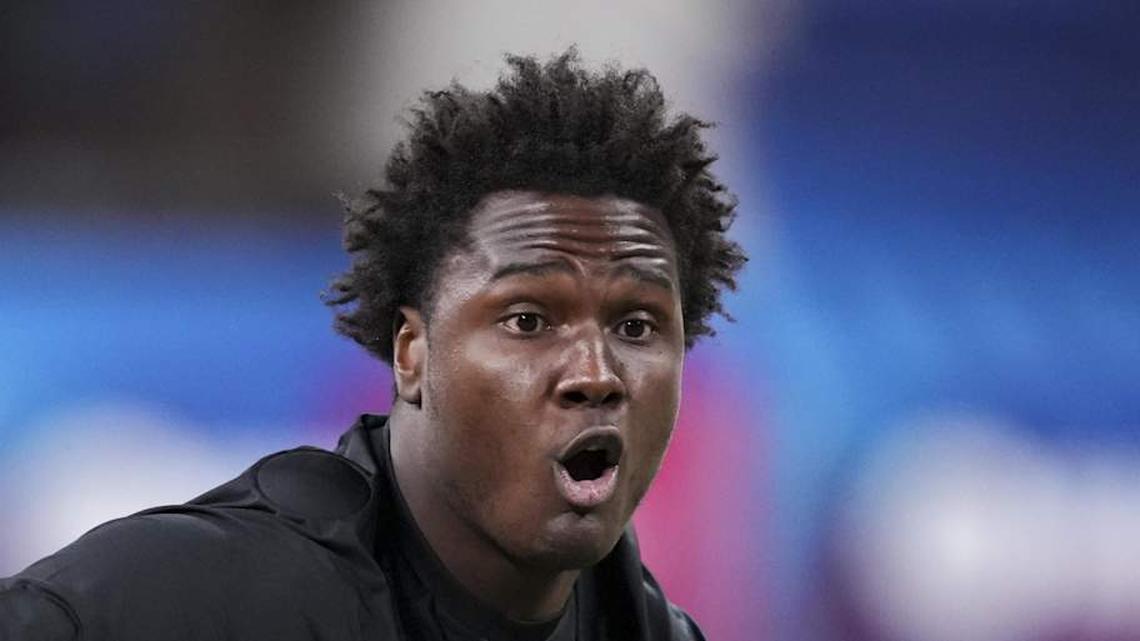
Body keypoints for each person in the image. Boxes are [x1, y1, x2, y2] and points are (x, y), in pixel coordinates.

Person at [0, 49, 746, 640]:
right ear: (411, 353)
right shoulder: (204, 592)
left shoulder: (640, 623)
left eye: (637, 326)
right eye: (527, 319)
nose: (595, 373)